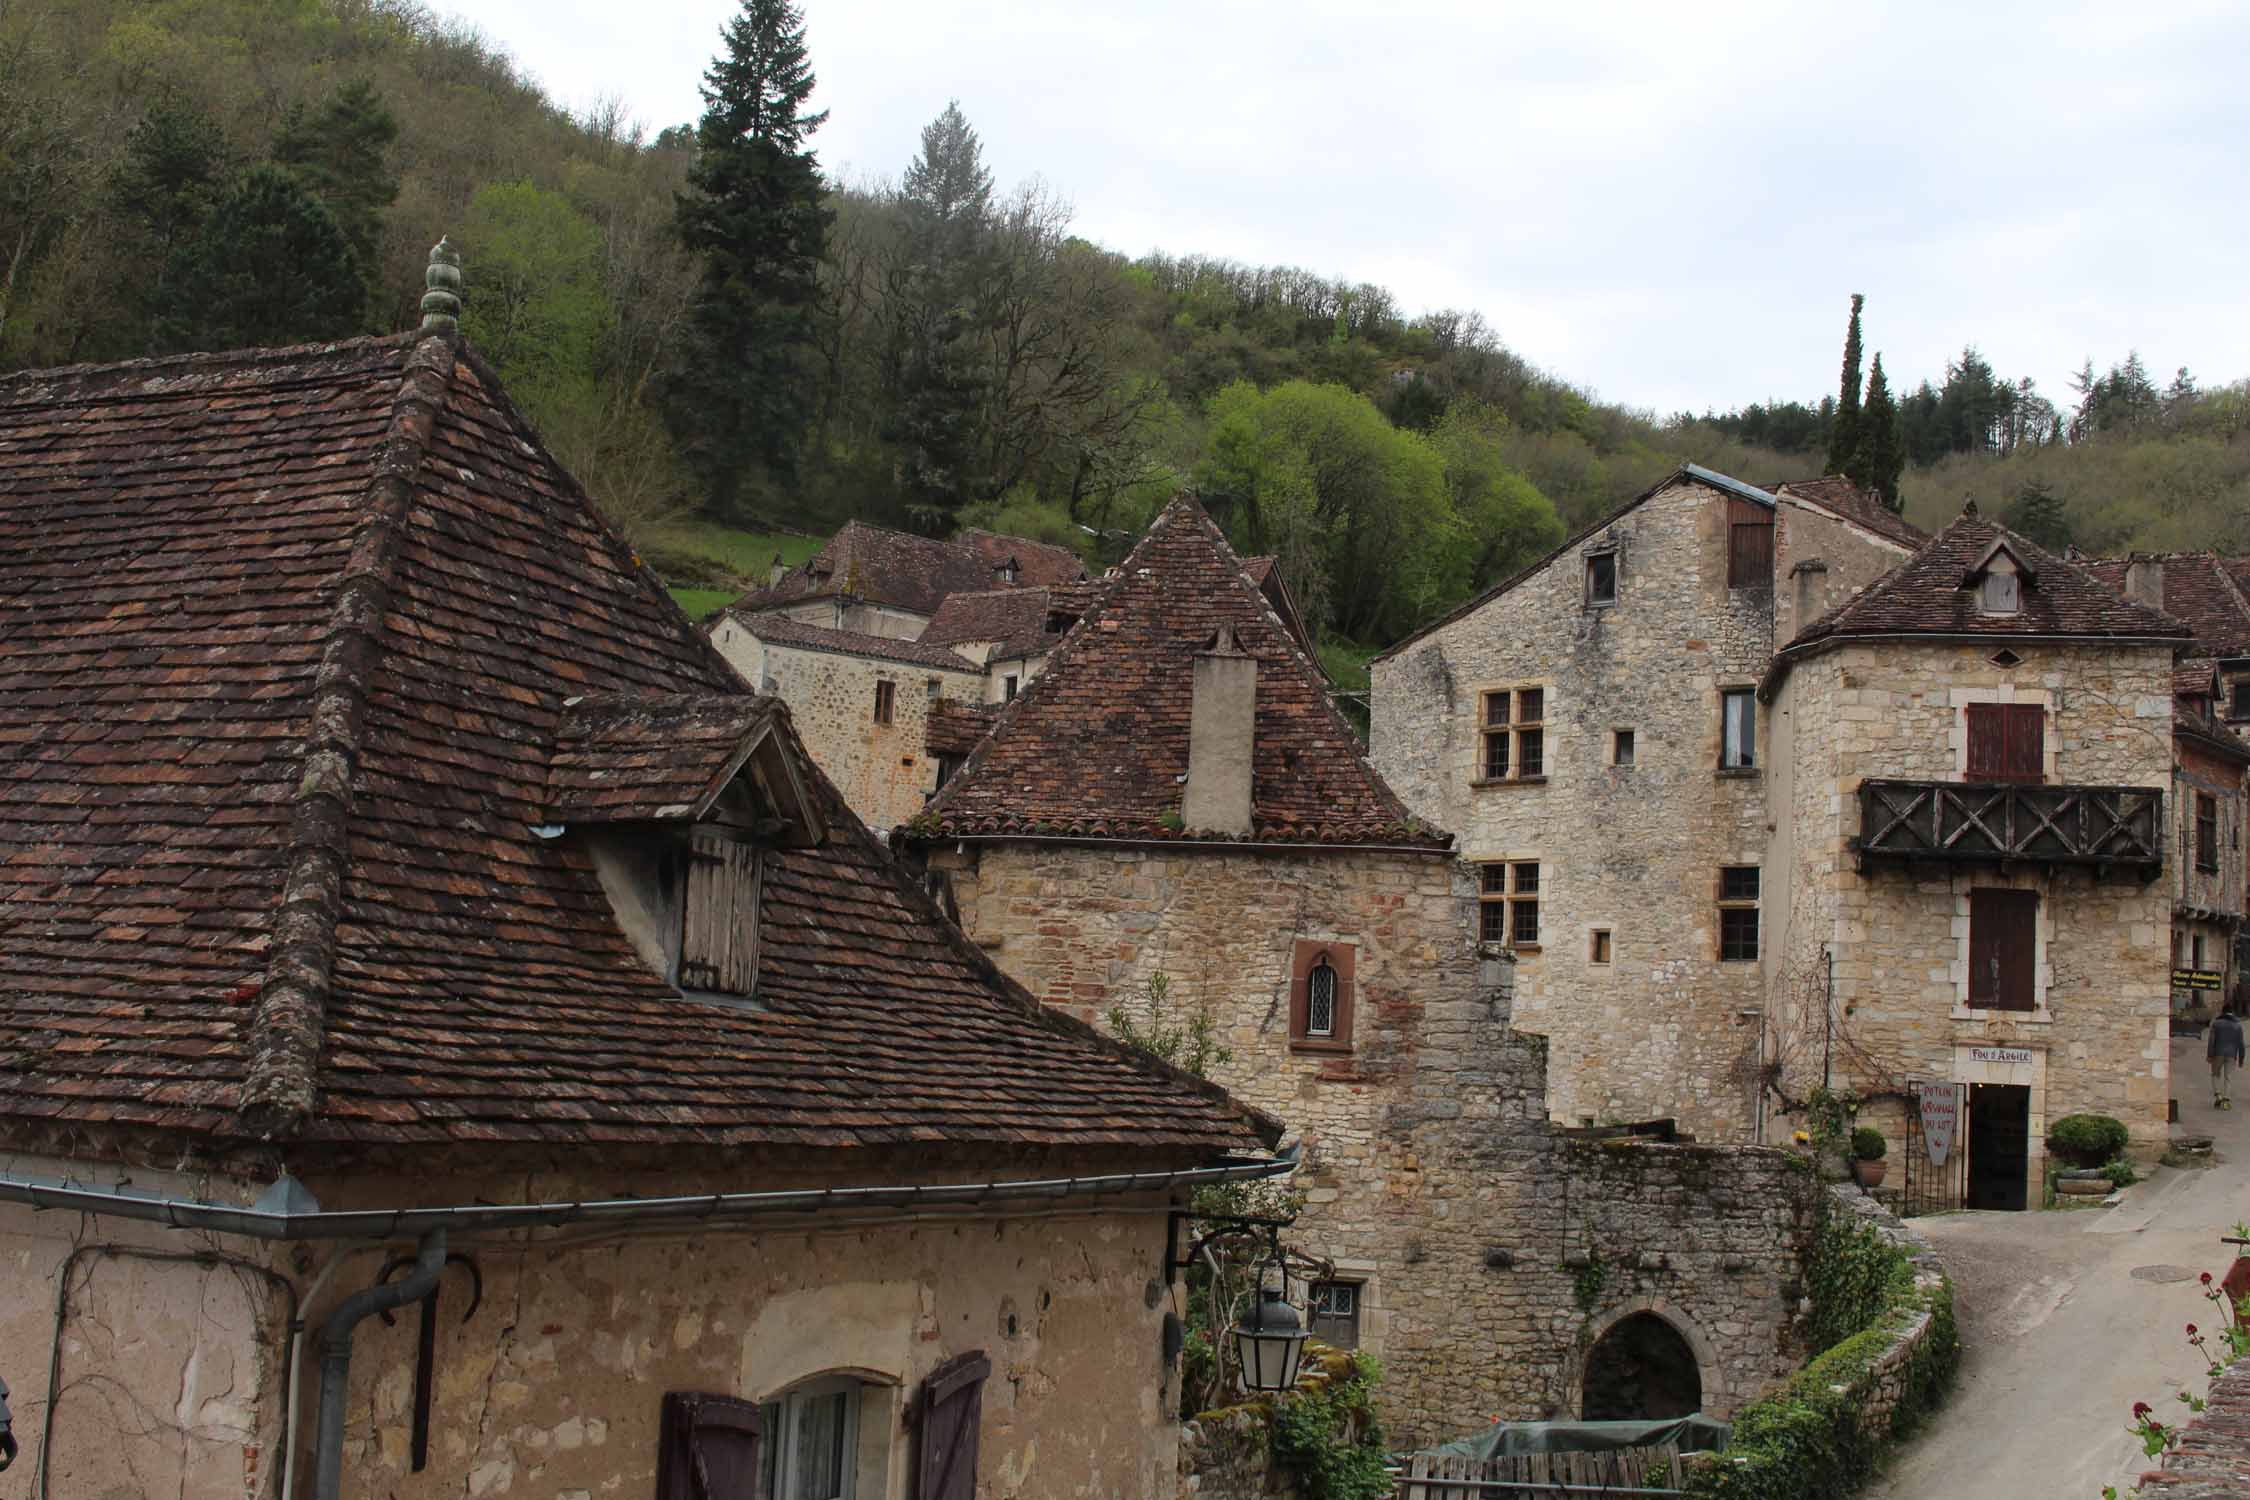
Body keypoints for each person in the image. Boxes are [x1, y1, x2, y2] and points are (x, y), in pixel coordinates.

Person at [2209, 1006, 2246, 1110]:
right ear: (2232, 1012)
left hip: (2218, 1053)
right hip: (2232, 1055)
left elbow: (2211, 1041)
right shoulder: (2238, 1026)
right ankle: (2226, 1100)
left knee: (2215, 1074)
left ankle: (2218, 1095)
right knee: (2228, 1077)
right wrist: (2241, 1059)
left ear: (2222, 1012)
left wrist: (2209, 1055)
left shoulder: (2216, 1024)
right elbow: (2241, 1044)